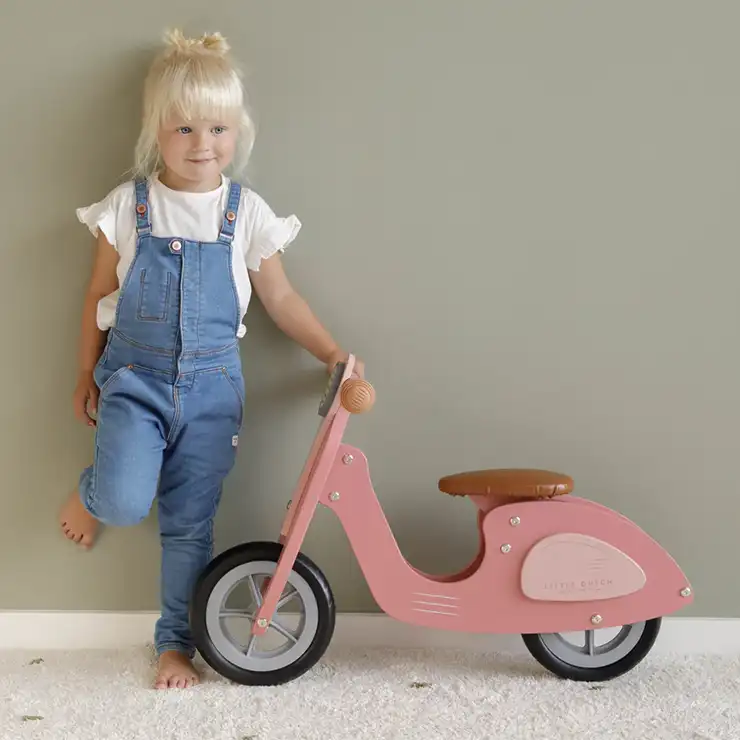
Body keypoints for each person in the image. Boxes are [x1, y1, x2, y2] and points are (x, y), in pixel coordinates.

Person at [58, 28, 363, 690]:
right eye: (185, 128)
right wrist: (85, 371)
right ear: (156, 132)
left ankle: (175, 645)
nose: (203, 145)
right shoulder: (129, 206)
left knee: (190, 526)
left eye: (218, 129)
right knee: (121, 499)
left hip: (213, 391)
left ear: (238, 131)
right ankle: (91, 497)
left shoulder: (244, 212)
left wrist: (334, 352)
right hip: (133, 382)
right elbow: (96, 294)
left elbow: (279, 296)